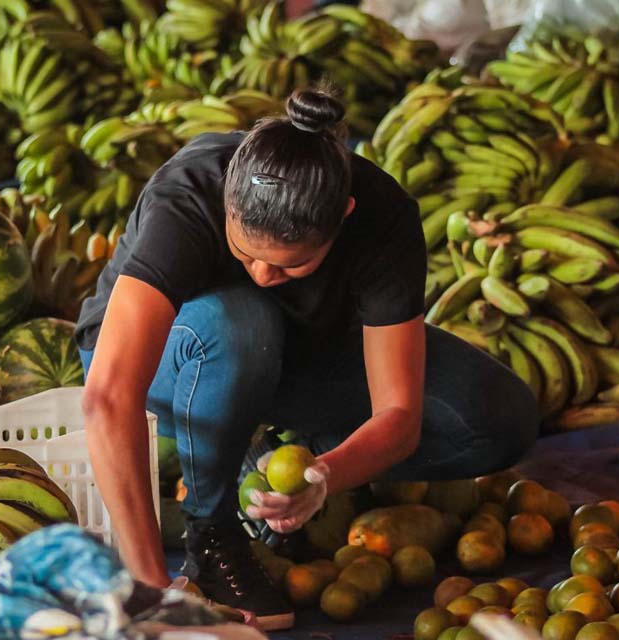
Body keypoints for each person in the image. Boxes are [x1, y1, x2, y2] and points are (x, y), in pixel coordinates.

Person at [77, 86, 539, 631]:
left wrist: (324, 475)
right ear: (228, 199)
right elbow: (109, 397)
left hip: (294, 357)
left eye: (290, 267)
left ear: (342, 216)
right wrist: (152, 587)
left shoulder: (381, 218)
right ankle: (212, 527)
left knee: (496, 418)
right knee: (242, 321)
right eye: (246, 253)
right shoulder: (189, 194)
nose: (263, 274)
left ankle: (263, 451)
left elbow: (399, 414)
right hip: (171, 361)